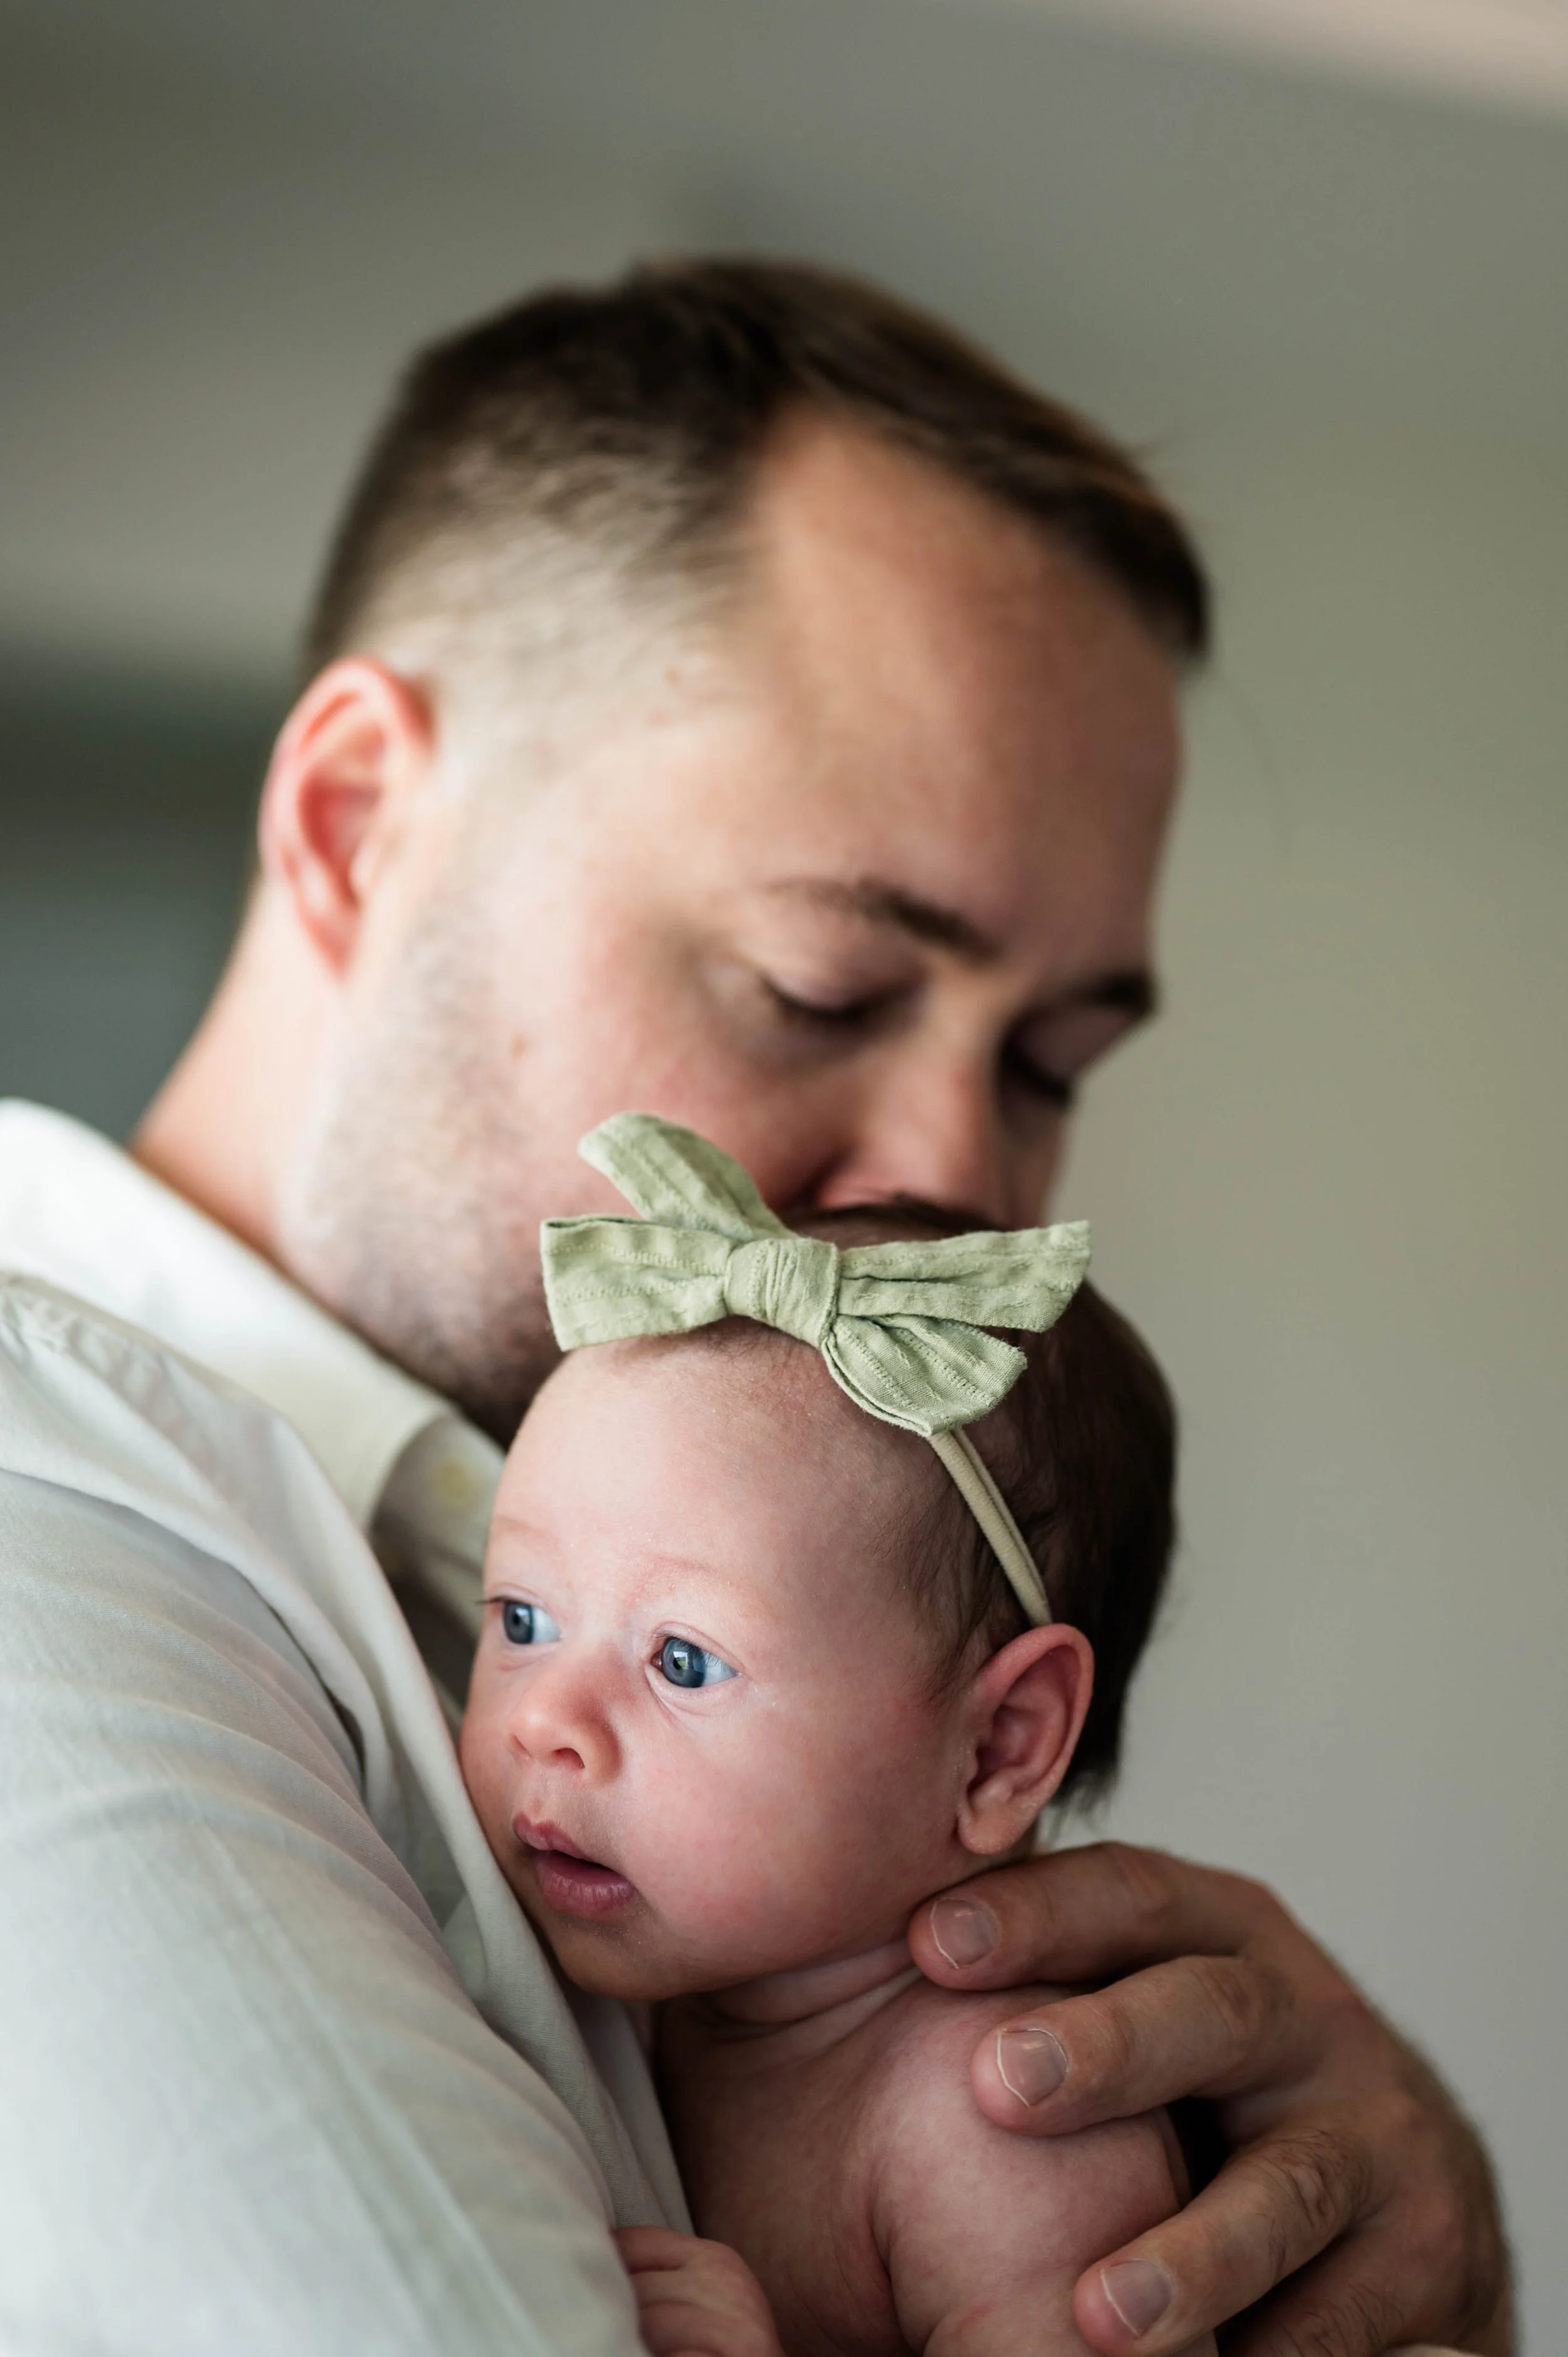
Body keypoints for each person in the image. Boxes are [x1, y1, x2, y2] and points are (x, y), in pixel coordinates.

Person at [0, 260, 1506, 2356]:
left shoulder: (788, 1727)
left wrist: (1410, 2261)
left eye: (1052, 1058)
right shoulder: (50, 1516)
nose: (953, 1186)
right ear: (357, 825)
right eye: (823, 985)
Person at [460, 1110, 1209, 2357]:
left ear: (998, 1747)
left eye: (683, 1660)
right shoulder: (654, 1978)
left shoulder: (996, 2122)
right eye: (523, 1616)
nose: (546, 1720)